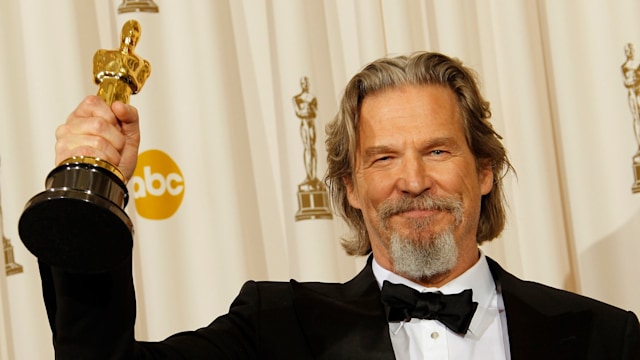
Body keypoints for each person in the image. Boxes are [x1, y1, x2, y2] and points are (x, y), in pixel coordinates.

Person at [40, 51, 640, 359]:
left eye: (436, 151)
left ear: (483, 171)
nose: (411, 180)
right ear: (349, 187)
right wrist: (87, 197)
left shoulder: (603, 339)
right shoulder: (277, 327)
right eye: (382, 158)